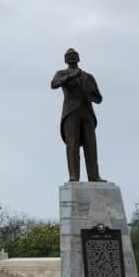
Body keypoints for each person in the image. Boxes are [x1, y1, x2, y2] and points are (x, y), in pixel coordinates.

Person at [51, 48, 104, 182]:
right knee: (72, 144)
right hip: (71, 111)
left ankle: (94, 176)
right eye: (69, 55)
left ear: (79, 57)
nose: (72, 56)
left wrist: (92, 94)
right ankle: (74, 175)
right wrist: (70, 76)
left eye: (75, 54)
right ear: (65, 59)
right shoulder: (61, 73)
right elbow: (54, 84)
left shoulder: (88, 76)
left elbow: (99, 98)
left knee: (91, 145)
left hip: (87, 112)